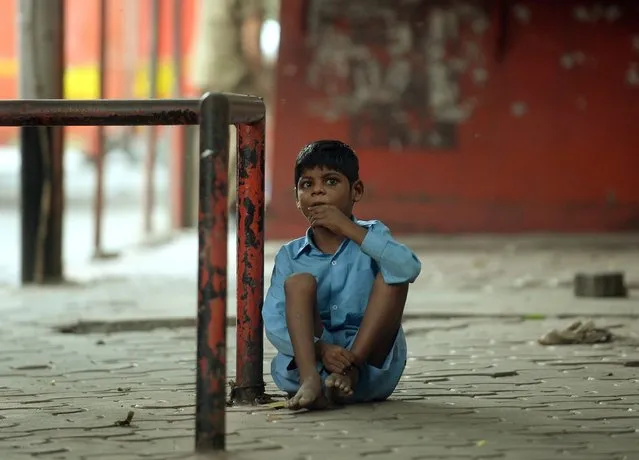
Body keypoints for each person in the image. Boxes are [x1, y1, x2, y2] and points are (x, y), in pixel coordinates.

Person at [262, 140, 422, 410]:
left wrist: (348, 229)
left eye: (331, 182)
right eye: (307, 184)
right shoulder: (290, 256)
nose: (318, 191)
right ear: (296, 197)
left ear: (356, 191)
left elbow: (409, 268)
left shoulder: (373, 235)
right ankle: (313, 383)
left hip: (369, 364)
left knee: (392, 274)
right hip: (308, 362)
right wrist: (320, 349)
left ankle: (349, 371)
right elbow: (274, 322)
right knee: (298, 282)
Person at [189, 0, 268, 212]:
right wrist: (263, 78)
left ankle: (208, 210)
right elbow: (251, 37)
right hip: (233, 74)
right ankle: (229, 208)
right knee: (237, 142)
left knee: (210, 143)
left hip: (208, 70)